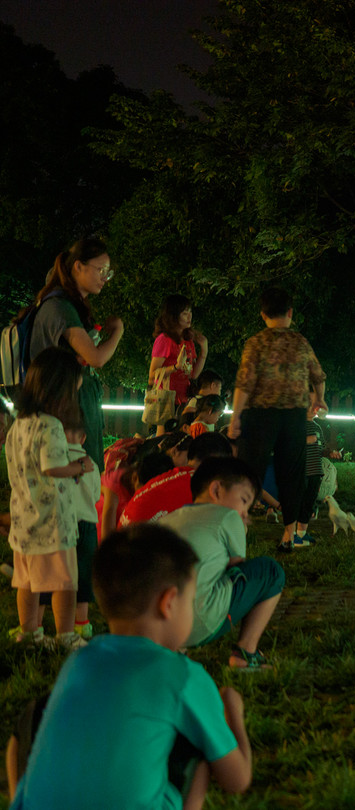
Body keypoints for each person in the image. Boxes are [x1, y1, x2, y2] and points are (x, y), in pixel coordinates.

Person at [5, 523, 253, 809]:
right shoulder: (184, 676)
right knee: (195, 747)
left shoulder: (79, 660)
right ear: (169, 602)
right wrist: (233, 710)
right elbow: (237, 779)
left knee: (33, 716)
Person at [157, 457, 284, 669]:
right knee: (269, 571)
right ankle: (246, 652)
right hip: (200, 622)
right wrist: (241, 529)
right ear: (216, 490)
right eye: (244, 501)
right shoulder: (227, 517)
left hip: (160, 629)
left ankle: (175, 651)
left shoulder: (168, 520)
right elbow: (237, 569)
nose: (244, 513)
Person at [227, 287, 327, 553]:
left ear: (263, 315)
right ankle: (289, 534)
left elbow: (244, 384)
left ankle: (239, 526)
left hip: (261, 414)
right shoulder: (300, 342)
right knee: (292, 474)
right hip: (293, 416)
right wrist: (319, 399)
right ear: (290, 313)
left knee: (250, 471)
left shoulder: (256, 343)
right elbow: (318, 375)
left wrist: (235, 417)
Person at [5, 348, 90, 648]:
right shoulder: (51, 426)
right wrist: (80, 466)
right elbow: (52, 467)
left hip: (25, 521)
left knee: (26, 582)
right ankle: (66, 635)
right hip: (53, 522)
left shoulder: (19, 424)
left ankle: (29, 633)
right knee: (65, 583)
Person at [26, 235, 124, 469]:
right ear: (78, 266)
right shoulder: (60, 308)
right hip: (69, 407)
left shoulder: (63, 306)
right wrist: (118, 331)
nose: (104, 278)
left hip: (69, 404)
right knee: (80, 483)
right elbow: (96, 358)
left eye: (108, 272)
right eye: (101, 269)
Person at [118, 433, 233, 527]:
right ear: (216, 461)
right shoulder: (202, 484)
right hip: (141, 549)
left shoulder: (173, 476)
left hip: (124, 544)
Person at [148, 295, 209, 436]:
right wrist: (175, 367)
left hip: (183, 398)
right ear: (173, 316)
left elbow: (193, 374)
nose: (189, 317)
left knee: (181, 438)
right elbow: (152, 374)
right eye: (184, 313)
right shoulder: (164, 339)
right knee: (165, 439)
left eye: (190, 312)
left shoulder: (188, 340)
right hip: (166, 398)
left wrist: (204, 350)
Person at [65, 424, 100, 639]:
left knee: (61, 572)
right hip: (87, 522)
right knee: (83, 572)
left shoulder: (57, 462)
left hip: (63, 522)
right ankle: (82, 622)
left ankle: (41, 621)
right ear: (83, 437)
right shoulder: (92, 464)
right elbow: (96, 496)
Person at [293, 417, 325, 547]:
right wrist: (306, 440)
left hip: (315, 470)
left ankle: (302, 533)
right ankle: (292, 535)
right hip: (302, 470)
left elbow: (321, 448)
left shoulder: (317, 427)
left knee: (308, 502)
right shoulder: (296, 424)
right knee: (298, 501)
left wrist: (330, 452)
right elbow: (290, 444)